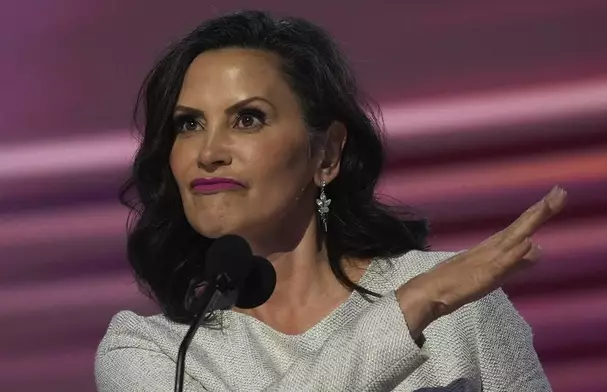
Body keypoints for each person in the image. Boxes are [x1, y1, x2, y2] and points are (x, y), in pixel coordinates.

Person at [95, 10, 567, 392]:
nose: (209, 152)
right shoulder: (150, 351)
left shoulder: (461, 302)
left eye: (248, 119)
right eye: (189, 124)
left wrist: (426, 296)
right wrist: (411, 308)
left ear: (326, 153)